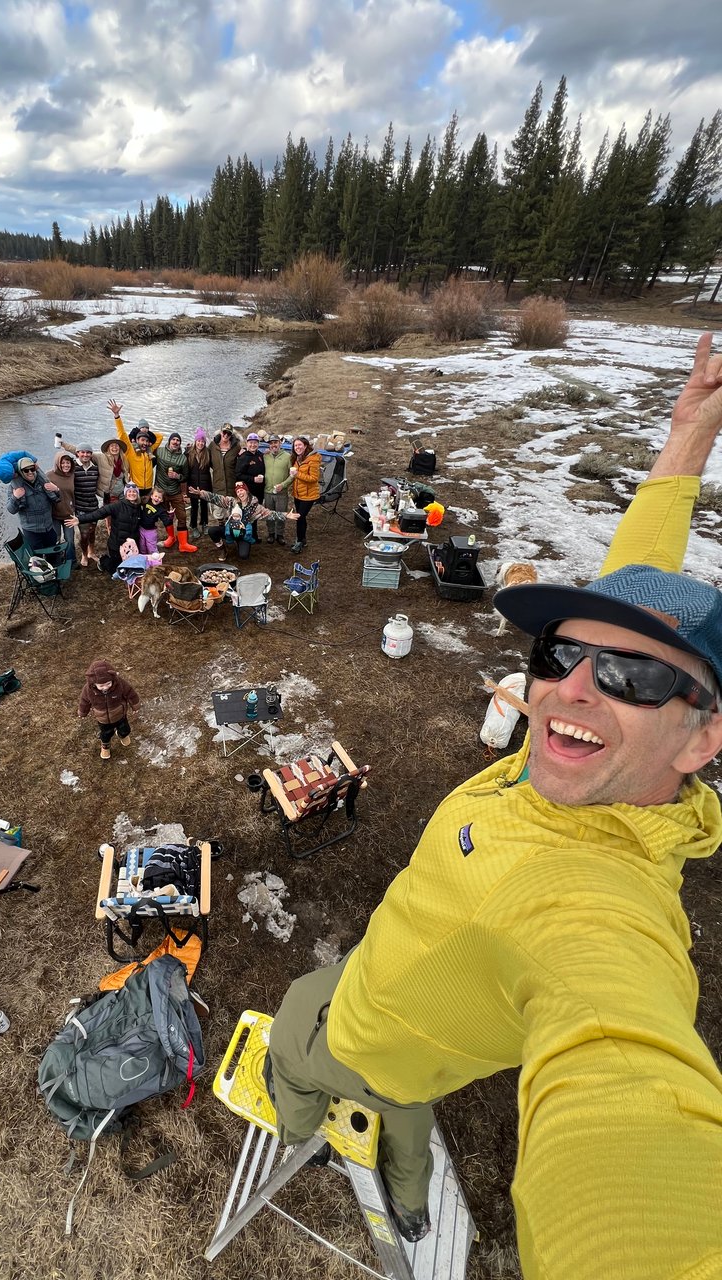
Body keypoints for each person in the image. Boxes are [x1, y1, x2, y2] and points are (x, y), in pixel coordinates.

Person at [266, 333, 722, 1278]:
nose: (574, 689)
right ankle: (399, 1182)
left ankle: (292, 1122)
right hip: (425, 1041)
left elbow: (625, 1074)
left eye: (632, 675)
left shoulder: (603, 907)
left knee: (293, 1045)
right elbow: (638, 575)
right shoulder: (574, 764)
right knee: (404, 1118)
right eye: (559, 655)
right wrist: (689, 436)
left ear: (703, 739)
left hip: (353, 1023)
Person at [189, 479, 284, 562]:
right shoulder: (231, 502)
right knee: (212, 531)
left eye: (242, 490)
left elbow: (270, 514)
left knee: (244, 556)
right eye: (238, 492)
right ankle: (223, 550)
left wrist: (286, 515)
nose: (240, 493)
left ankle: (240, 543)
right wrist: (201, 493)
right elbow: (216, 498)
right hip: (229, 530)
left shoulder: (255, 506)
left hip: (244, 534)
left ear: (246, 491)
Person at [77, 659, 140, 762]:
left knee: (125, 729)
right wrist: (83, 712)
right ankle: (105, 746)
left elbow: (131, 693)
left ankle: (122, 735)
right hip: (103, 719)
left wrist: (135, 706)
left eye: (108, 683)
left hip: (120, 715)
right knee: (106, 734)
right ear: (94, 683)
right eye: (101, 685)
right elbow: (84, 701)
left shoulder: (120, 684)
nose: (105, 687)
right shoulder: (88, 690)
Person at [74, 480, 143, 574]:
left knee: (128, 570)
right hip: (117, 545)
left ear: (137, 494)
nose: (132, 493)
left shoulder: (139, 507)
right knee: (115, 571)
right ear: (126, 494)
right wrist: (80, 519)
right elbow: (99, 513)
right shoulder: (117, 506)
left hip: (131, 545)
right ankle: (102, 561)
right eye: (129, 491)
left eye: (134, 491)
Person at [153, 430, 197, 553]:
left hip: (175, 491)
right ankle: (171, 538)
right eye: (173, 439)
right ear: (169, 440)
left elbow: (185, 476)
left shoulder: (183, 459)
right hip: (161, 491)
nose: (175, 442)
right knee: (167, 517)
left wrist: (177, 476)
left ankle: (183, 543)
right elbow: (149, 459)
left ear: (179, 443)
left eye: (178, 440)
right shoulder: (160, 452)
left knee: (182, 516)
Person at [6, 457, 62, 551]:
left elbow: (58, 499)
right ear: (20, 472)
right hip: (31, 531)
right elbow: (11, 510)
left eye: (32, 469)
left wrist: (56, 490)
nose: (30, 472)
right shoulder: (14, 487)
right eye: (26, 470)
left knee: (53, 554)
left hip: (49, 528)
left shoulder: (43, 481)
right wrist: (15, 497)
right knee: (37, 559)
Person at [108, 399, 159, 498]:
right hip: (135, 489)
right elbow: (122, 434)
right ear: (136, 440)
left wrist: (145, 431)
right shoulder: (131, 451)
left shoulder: (150, 451)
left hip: (149, 489)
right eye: (142, 440)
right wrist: (117, 416)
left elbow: (160, 437)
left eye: (146, 441)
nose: (144, 443)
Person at [279, 435, 321, 553]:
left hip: (309, 495)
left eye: (299, 445)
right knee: (301, 518)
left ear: (305, 446)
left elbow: (314, 478)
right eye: (295, 445)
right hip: (298, 494)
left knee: (300, 517)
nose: (297, 447)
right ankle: (303, 540)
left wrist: (297, 474)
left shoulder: (313, 459)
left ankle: (299, 542)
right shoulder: (297, 458)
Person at [44, 451, 80, 567]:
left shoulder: (72, 475)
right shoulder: (49, 475)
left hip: (68, 514)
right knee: (56, 540)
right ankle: (56, 562)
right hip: (54, 515)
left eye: (68, 463)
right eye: (63, 463)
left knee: (69, 540)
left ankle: (71, 561)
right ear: (58, 463)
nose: (66, 465)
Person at [262, 434, 292, 545]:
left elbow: (292, 475)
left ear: (280, 443)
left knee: (281, 514)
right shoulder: (265, 456)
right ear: (269, 445)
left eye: (275, 442)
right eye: (271, 443)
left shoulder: (287, 456)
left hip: (281, 492)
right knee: (269, 514)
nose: (273, 445)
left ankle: (280, 535)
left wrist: (283, 485)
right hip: (268, 491)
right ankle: (270, 533)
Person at [186, 428, 213, 538]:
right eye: (199, 441)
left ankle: (204, 524)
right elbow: (184, 468)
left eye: (203, 441)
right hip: (192, 485)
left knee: (204, 505)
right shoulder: (188, 453)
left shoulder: (208, 453)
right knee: (194, 507)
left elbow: (215, 465)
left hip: (205, 484)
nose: (200, 443)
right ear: (195, 441)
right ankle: (193, 526)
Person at [137, 486, 173, 556]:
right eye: (155, 496)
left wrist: (171, 516)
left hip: (151, 531)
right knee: (142, 546)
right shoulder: (145, 501)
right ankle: (144, 558)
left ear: (162, 500)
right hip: (141, 528)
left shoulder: (161, 510)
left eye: (159, 497)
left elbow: (166, 522)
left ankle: (155, 560)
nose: (157, 498)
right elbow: (137, 502)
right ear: (151, 496)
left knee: (151, 546)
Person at [210, 423, 241, 496]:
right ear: (221, 432)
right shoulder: (212, 446)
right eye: (224, 432)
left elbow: (240, 464)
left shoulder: (236, 447)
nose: (226, 435)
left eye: (229, 433)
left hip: (231, 489)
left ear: (231, 435)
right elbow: (205, 458)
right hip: (217, 488)